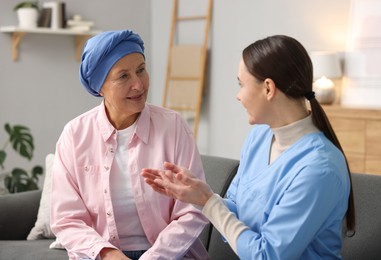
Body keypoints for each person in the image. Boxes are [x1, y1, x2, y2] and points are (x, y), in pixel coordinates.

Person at [142, 35, 355, 259]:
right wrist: (197, 195)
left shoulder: (319, 169)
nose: (238, 95)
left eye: (241, 84)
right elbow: (237, 208)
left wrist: (208, 202)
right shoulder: (260, 137)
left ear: (268, 88)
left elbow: (266, 255)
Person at [50, 29, 209, 260]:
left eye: (141, 70)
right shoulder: (74, 135)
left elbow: (192, 211)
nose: (138, 84)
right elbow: (67, 219)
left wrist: (153, 258)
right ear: (100, 86)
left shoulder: (173, 127)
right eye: (123, 76)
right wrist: (108, 254)